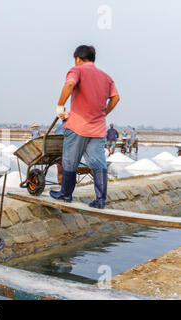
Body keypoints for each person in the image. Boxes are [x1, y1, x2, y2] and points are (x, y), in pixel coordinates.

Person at [50, 45, 120, 209]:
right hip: (97, 128)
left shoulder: (77, 70)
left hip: (78, 126)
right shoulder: (106, 77)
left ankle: (65, 194)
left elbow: (69, 85)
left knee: (70, 161)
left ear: (78, 59)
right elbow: (116, 98)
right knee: (98, 162)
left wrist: (60, 105)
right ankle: (100, 200)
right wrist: (104, 113)